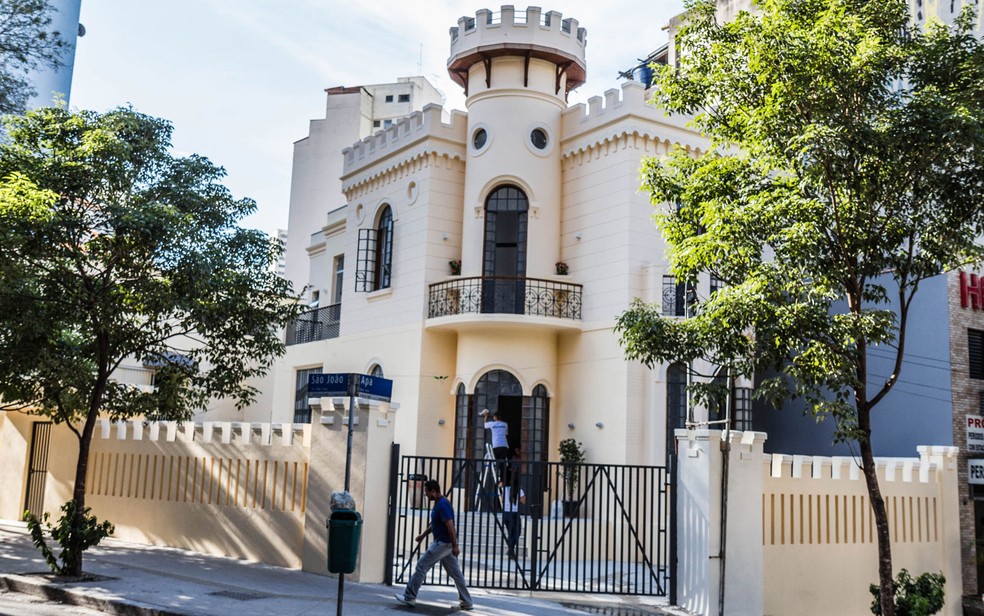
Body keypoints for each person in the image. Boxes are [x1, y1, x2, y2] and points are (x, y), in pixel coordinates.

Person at [395, 480, 474, 611]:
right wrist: (423, 535)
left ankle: (409, 596)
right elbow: (436, 524)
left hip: (443, 544)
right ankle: (467, 602)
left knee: (421, 565)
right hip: (446, 544)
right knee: (456, 573)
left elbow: (450, 526)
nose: (425, 495)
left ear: (433, 491)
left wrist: (455, 546)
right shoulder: (440, 503)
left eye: (426, 492)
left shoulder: (442, 505)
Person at [500, 470, 526, 560]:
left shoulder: (505, 489)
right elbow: (523, 500)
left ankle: (511, 552)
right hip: (514, 513)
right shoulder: (519, 490)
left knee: (511, 533)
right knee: (517, 532)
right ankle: (510, 549)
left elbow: (502, 500)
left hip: (505, 513)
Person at [481, 409, 510, 480]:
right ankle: (502, 480)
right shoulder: (505, 424)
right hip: (504, 446)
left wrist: (486, 416)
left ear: (495, 417)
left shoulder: (492, 424)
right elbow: (506, 433)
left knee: (497, 463)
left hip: (496, 446)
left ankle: (497, 477)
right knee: (503, 463)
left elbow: (485, 424)